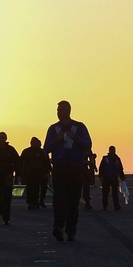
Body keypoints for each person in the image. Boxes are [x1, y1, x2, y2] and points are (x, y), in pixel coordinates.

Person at [44, 100, 93, 242]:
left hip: (75, 169)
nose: (59, 113)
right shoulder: (53, 129)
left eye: (62, 110)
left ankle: (70, 230)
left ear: (69, 111)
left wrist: (75, 138)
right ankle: (58, 227)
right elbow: (46, 148)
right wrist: (57, 140)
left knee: (73, 201)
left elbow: (88, 144)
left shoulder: (79, 127)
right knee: (59, 199)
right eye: (58, 110)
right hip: (59, 169)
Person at [0, 132, 20, 225]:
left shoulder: (11, 149)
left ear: (6, 139)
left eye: (3, 138)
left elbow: (17, 162)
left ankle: (6, 218)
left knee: (7, 198)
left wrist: (18, 175)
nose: (1, 139)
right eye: (0, 138)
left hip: (7, 177)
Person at [19, 137, 50, 211]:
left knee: (37, 188)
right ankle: (31, 202)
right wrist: (20, 173)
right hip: (29, 173)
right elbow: (20, 162)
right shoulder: (26, 151)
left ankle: (36, 202)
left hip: (40, 173)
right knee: (30, 188)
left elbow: (47, 163)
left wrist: (47, 172)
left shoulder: (42, 152)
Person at [99, 146, 125, 211]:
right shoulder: (105, 158)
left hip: (114, 178)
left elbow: (120, 169)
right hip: (106, 178)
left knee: (115, 193)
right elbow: (101, 168)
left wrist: (122, 177)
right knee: (105, 193)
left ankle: (116, 205)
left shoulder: (117, 159)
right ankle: (105, 205)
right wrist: (101, 176)